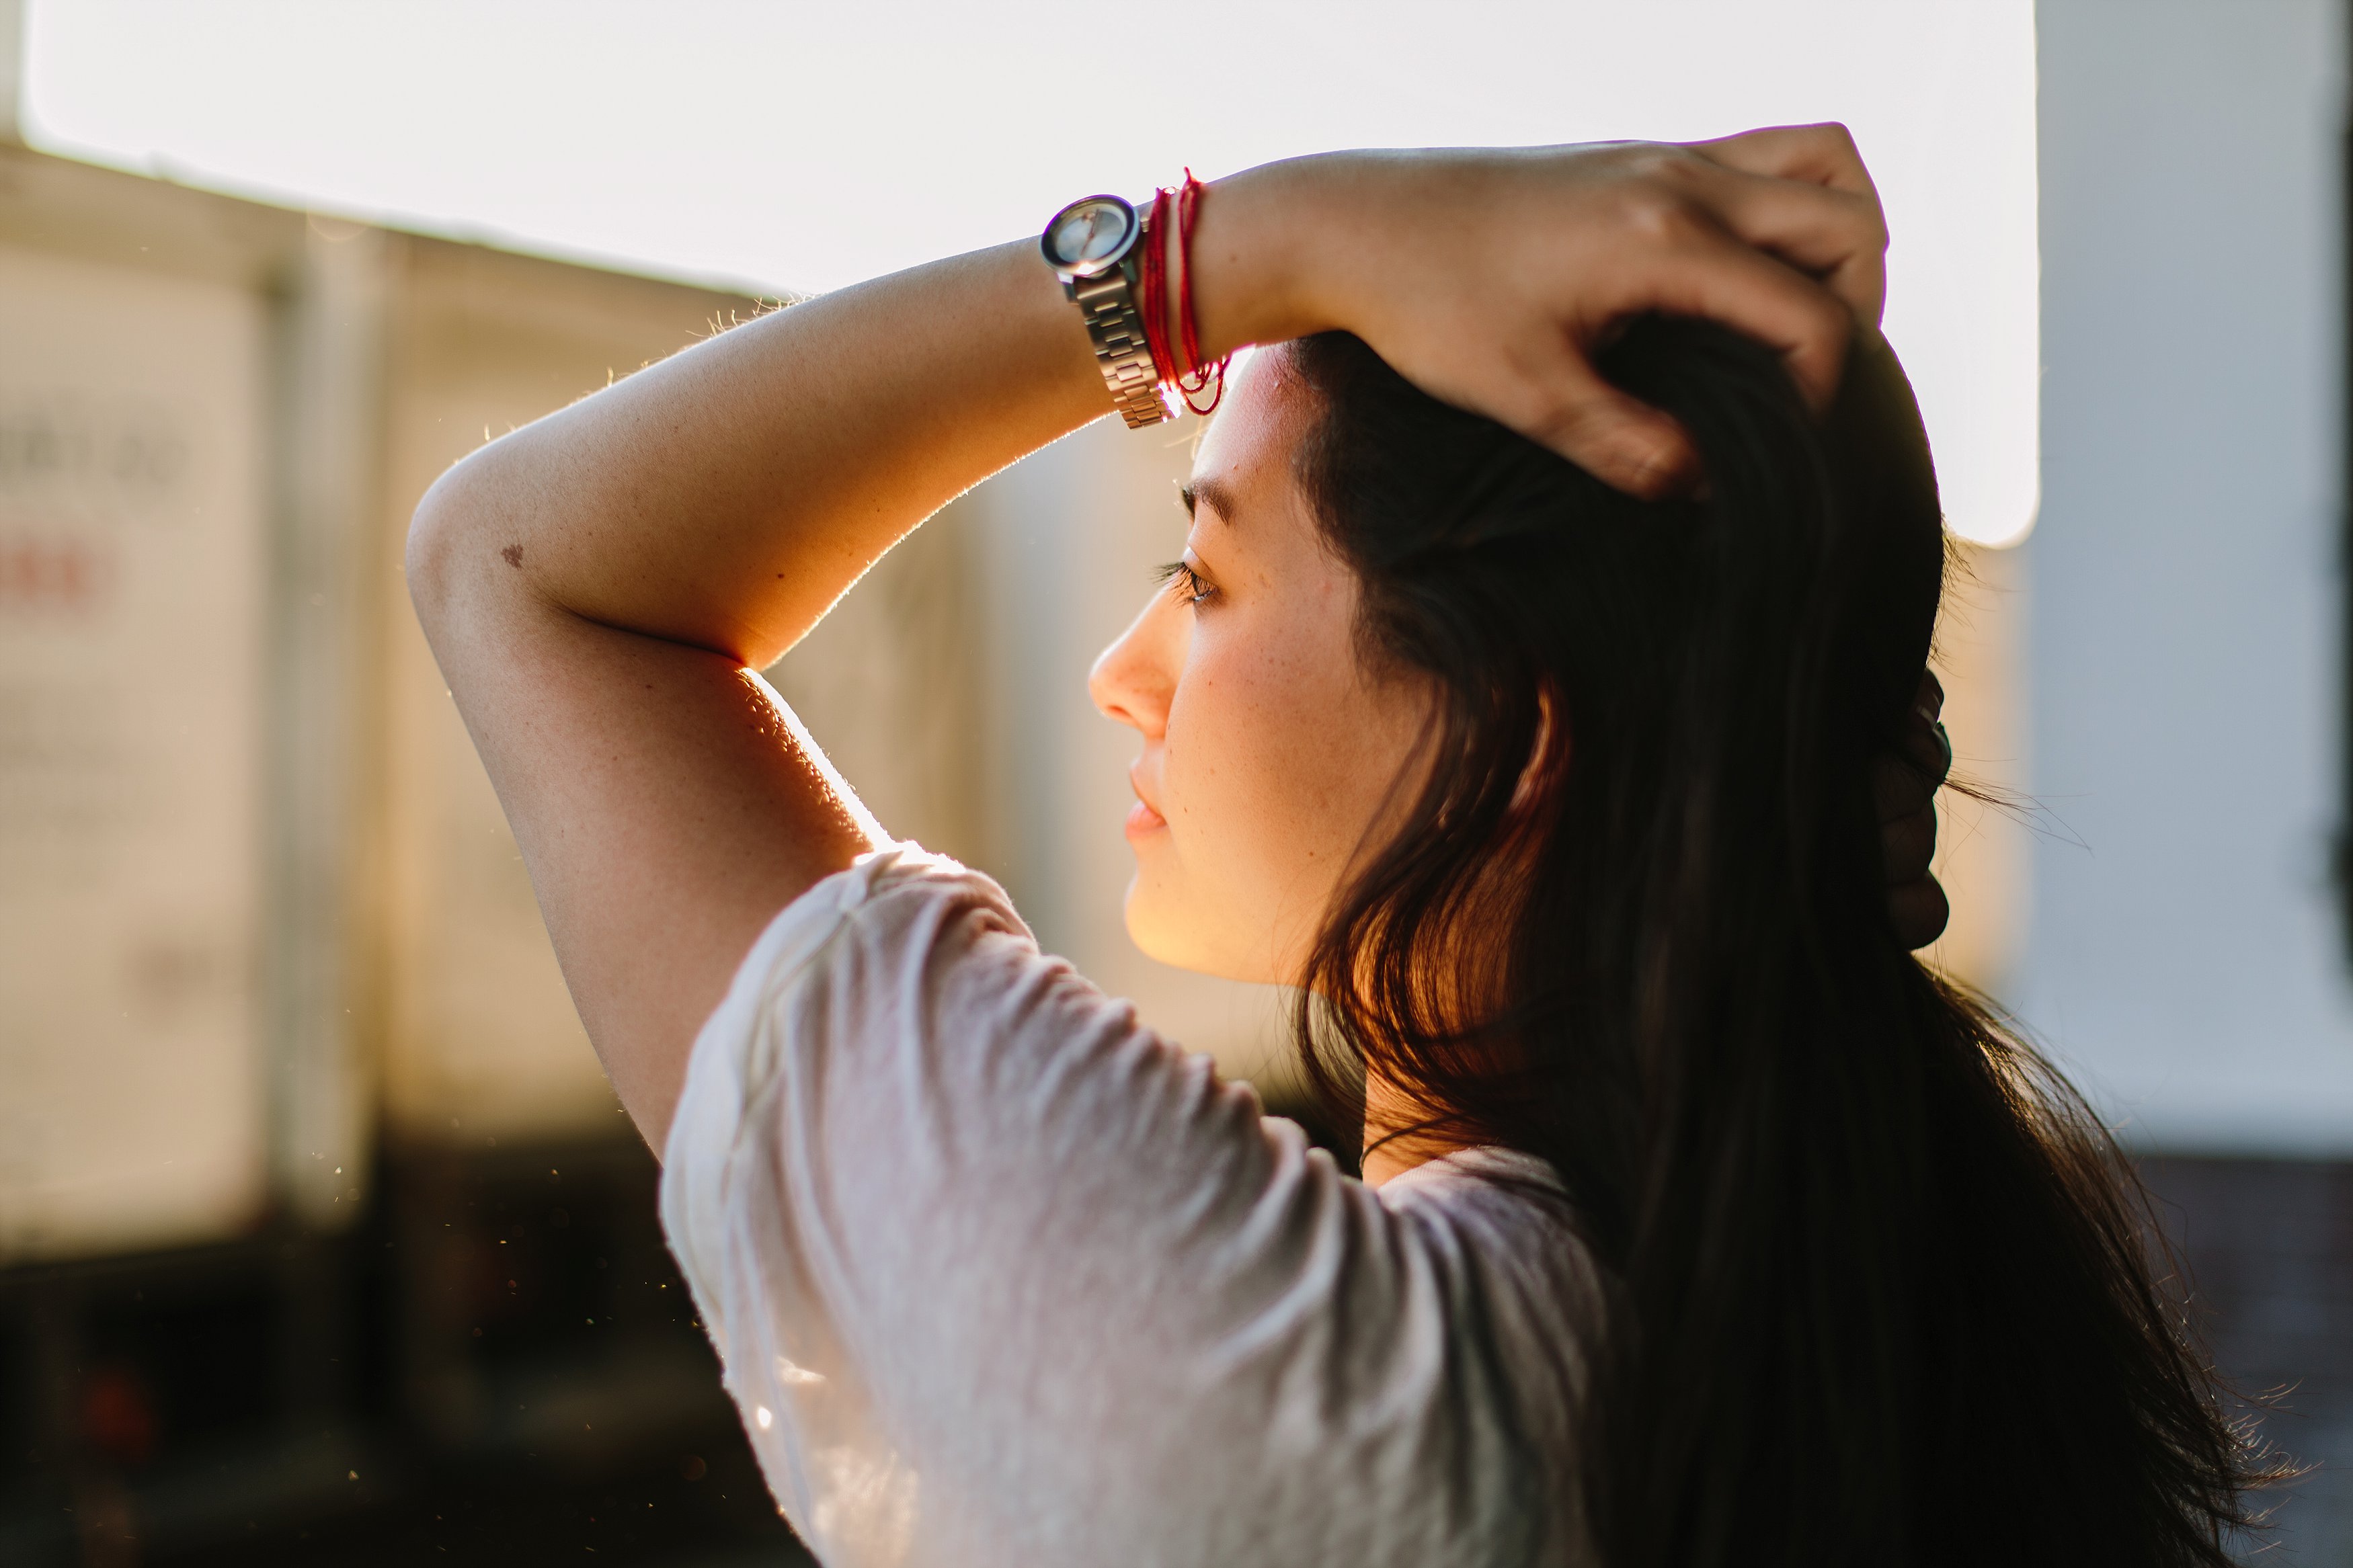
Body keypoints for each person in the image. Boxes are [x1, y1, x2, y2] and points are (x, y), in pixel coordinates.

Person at [406, 128, 2261, 1567]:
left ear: (1504, 721)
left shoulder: (1308, 1377)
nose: (1121, 670)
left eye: (1202, 574)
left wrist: (1235, 247)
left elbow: (527, 571)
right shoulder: (1920, 1291)